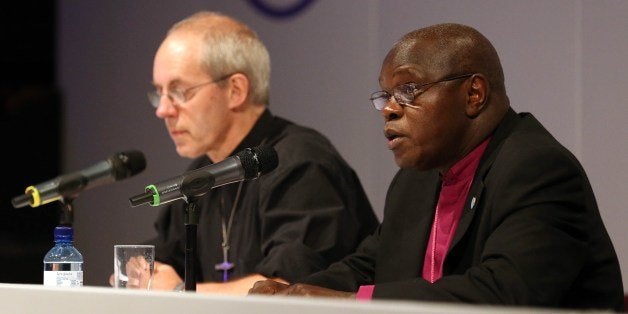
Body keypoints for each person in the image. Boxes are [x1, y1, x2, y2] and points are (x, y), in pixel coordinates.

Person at [249, 23, 624, 311]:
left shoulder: (538, 169)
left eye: (408, 90)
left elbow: (503, 294)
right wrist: (290, 295)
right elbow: (369, 265)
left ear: (473, 94)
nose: (391, 109)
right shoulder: (415, 180)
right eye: (386, 95)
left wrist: (347, 304)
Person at [126, 11, 379, 294]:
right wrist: (141, 273)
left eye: (180, 91)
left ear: (235, 90)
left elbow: (286, 291)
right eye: (158, 93)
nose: (163, 110)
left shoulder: (301, 163)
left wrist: (177, 292)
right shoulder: (202, 174)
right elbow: (159, 262)